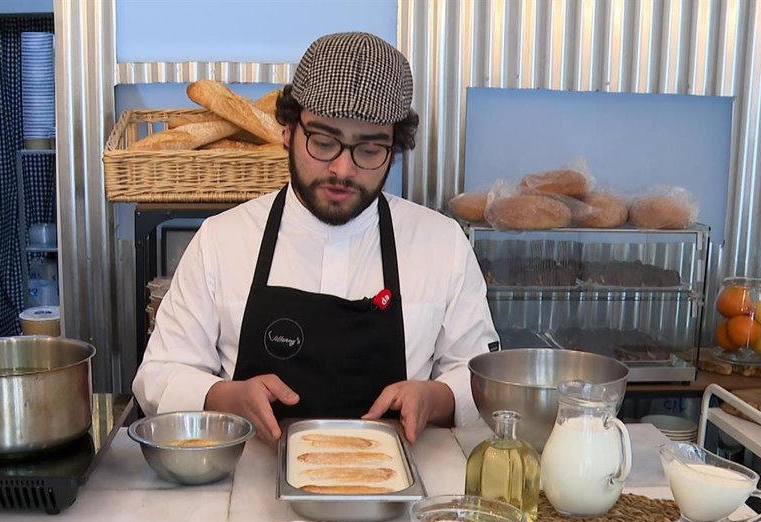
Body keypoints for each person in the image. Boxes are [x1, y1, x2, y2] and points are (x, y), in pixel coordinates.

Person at [132, 31, 499, 444]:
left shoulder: (442, 245)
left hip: (397, 476)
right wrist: (223, 396)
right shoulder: (221, 241)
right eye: (323, 143)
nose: (342, 169)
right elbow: (158, 375)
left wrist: (436, 397)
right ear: (288, 130)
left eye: (369, 151)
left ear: (394, 151)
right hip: (250, 476)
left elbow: (481, 378)